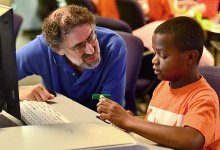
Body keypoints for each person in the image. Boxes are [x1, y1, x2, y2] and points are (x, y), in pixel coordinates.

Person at [97, 16, 220, 150]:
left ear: (190, 57)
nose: (154, 60)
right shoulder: (162, 86)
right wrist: (129, 120)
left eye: (163, 55)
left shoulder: (203, 98)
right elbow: (159, 123)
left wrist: (130, 122)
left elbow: (192, 140)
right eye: (155, 53)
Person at [16, 4, 127, 111]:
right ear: (58, 49)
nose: (91, 50)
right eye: (79, 46)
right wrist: (18, 92)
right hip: (56, 116)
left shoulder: (113, 47)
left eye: (91, 36)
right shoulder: (42, 48)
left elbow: (112, 112)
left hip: (98, 121)